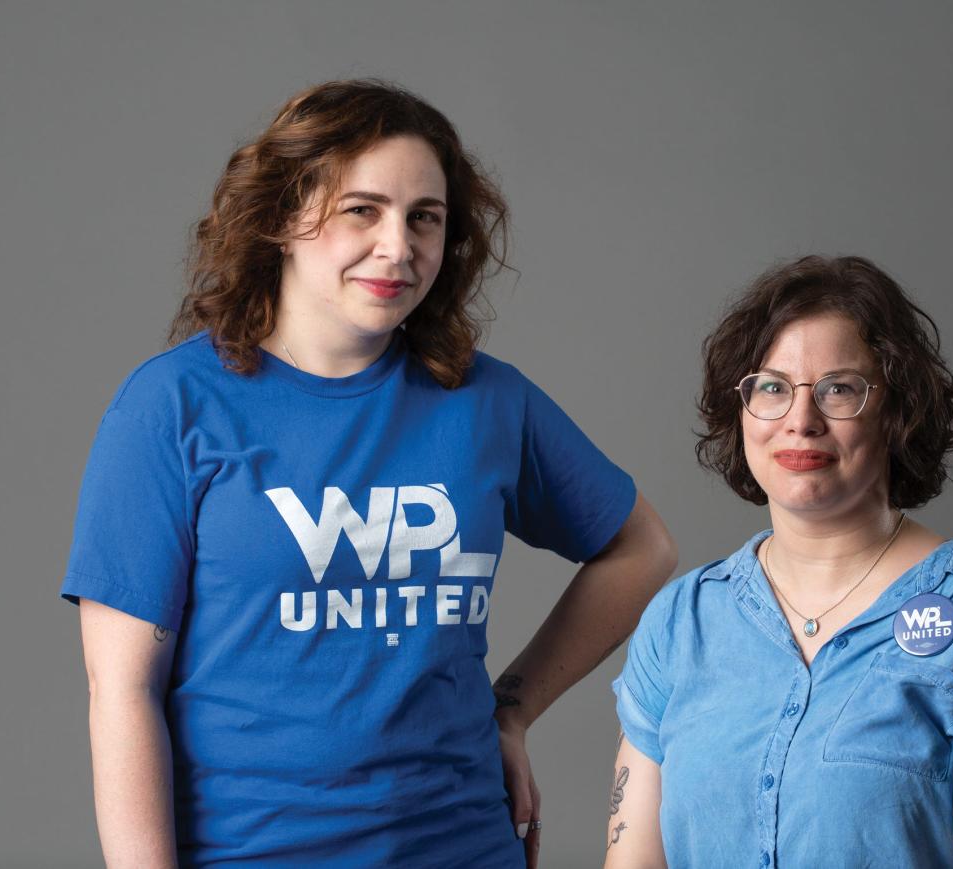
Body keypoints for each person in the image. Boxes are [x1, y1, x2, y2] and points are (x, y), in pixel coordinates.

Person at [61, 79, 677, 868]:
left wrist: (511, 711)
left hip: (464, 846)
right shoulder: (172, 407)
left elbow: (642, 549)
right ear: (283, 216)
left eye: (425, 217)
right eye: (363, 209)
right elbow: (121, 693)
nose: (399, 246)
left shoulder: (487, 402)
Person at [606, 255, 953, 868]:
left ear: (897, 411)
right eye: (772, 388)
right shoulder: (681, 621)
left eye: (838, 389)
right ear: (742, 411)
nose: (800, 422)